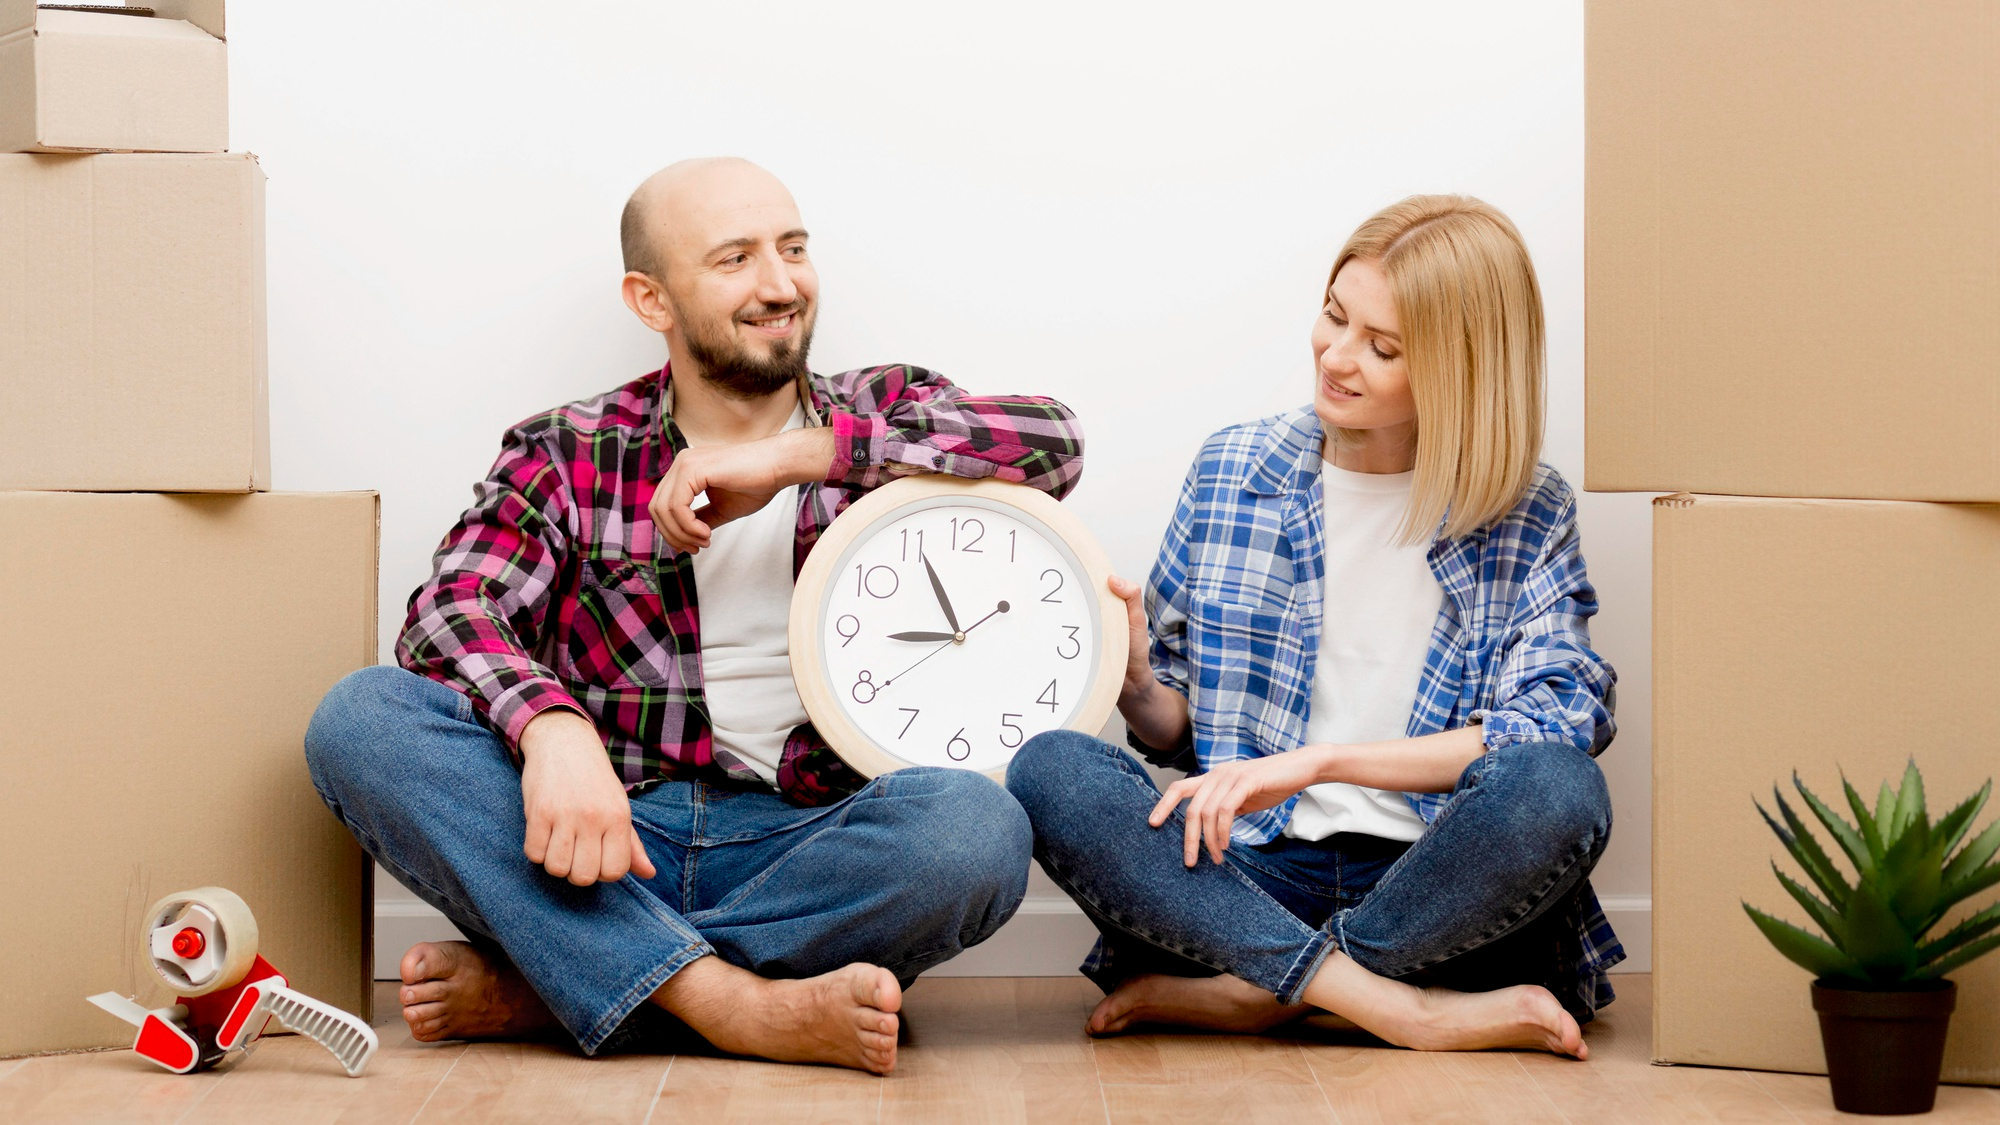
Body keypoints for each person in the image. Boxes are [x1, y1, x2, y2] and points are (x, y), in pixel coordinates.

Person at [304, 157, 1084, 1075]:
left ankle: (566, 982)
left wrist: (796, 459)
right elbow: (449, 611)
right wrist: (552, 730)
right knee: (363, 719)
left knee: (977, 831)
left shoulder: (885, 411)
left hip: (812, 840)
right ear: (652, 299)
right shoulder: (568, 449)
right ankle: (734, 1005)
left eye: (794, 249)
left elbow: (1056, 442)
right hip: (605, 839)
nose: (781, 284)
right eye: (736, 258)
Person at [1008, 194, 1622, 1058]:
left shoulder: (1529, 510)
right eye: (1334, 316)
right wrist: (1139, 682)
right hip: (1251, 876)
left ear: (1461, 370)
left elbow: (1555, 722)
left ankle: (1262, 992)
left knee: (1559, 788)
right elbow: (1179, 736)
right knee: (1052, 770)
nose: (1336, 356)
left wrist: (1323, 761)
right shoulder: (1232, 469)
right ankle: (1395, 1007)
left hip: (1438, 888)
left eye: (1383, 347)